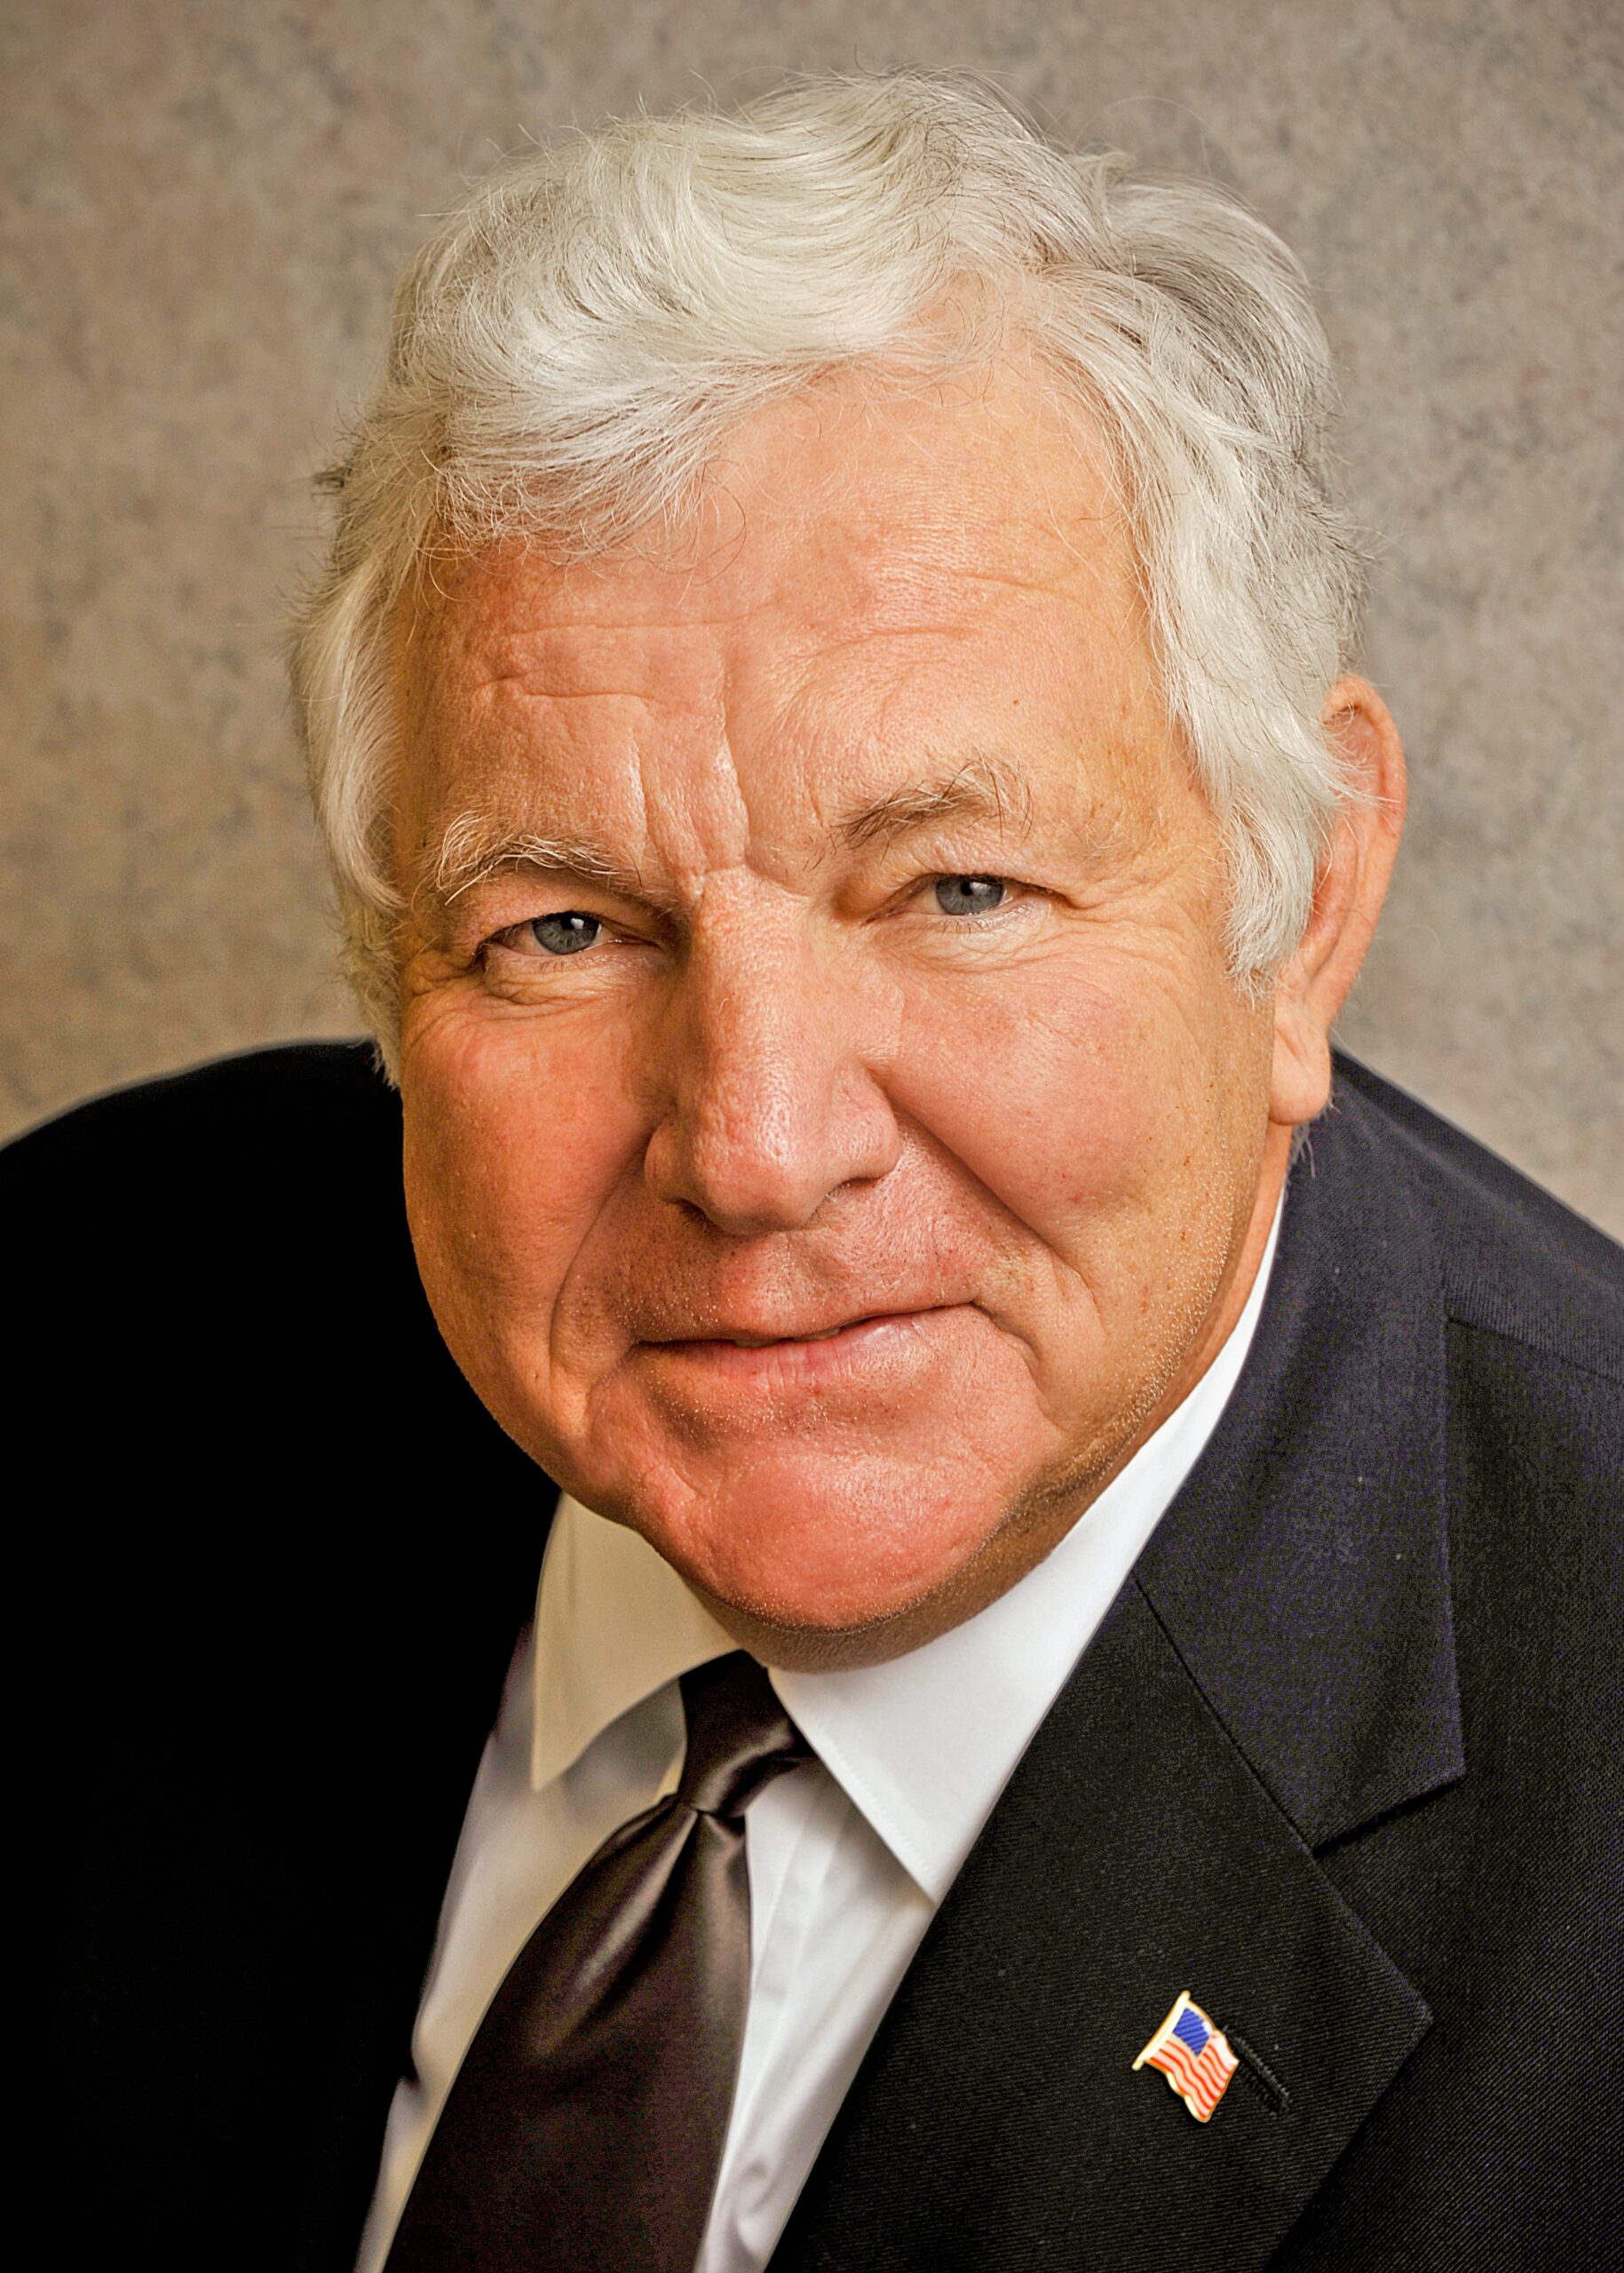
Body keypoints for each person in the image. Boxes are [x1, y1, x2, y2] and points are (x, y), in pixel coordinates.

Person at [17, 70, 1620, 2273]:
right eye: (562, 927)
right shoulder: (71, 1329)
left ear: (1304, 901)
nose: (759, 1151)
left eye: (958, 889)